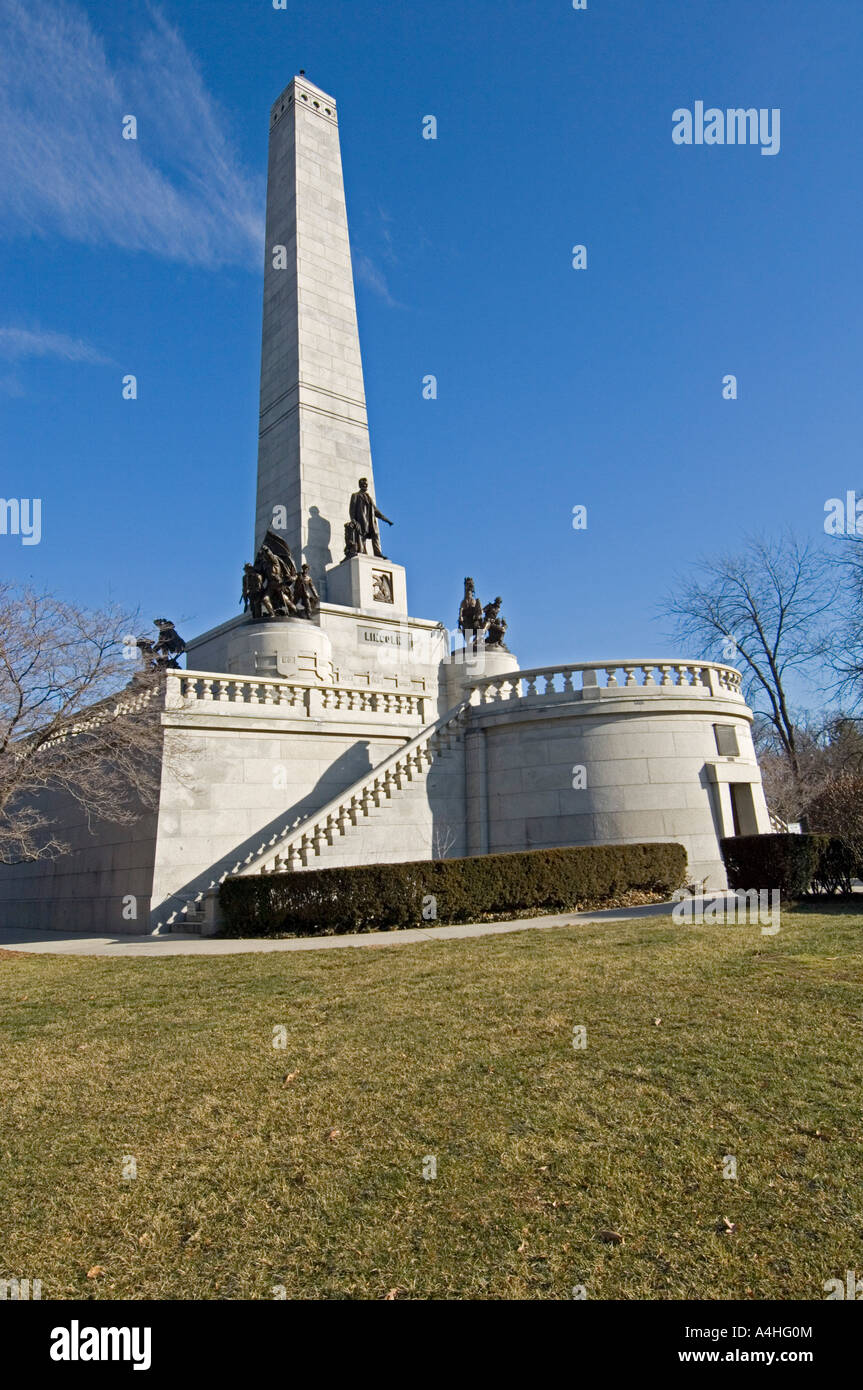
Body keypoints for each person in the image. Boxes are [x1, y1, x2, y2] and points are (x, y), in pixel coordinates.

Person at [349, 477, 393, 558]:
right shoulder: (355, 496)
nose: (365, 485)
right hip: (361, 520)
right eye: (363, 484)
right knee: (362, 537)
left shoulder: (369, 498)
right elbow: (352, 509)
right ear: (360, 485)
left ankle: (378, 553)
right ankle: (362, 552)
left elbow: (376, 511)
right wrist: (353, 520)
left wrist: (387, 520)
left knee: (375, 535)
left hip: (371, 522)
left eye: (366, 484)